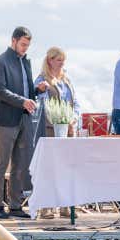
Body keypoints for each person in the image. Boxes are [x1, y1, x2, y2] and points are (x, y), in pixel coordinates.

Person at [0, 27, 38, 219]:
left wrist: (38, 91)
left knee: (21, 163)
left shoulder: (26, 62)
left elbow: (28, 91)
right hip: (6, 119)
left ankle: (16, 205)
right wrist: (22, 101)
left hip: (24, 118)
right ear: (13, 41)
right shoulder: (0, 61)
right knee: (2, 163)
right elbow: (0, 90)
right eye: (23, 44)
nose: (25, 48)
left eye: (28, 45)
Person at [34, 47, 80, 218]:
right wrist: (56, 118)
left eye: (63, 60)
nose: (62, 63)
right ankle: (46, 205)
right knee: (49, 168)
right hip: (49, 130)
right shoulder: (41, 80)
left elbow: (75, 103)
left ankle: (65, 204)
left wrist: (73, 118)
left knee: (67, 168)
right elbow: (39, 103)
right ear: (50, 60)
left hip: (68, 130)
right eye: (59, 59)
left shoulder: (67, 80)